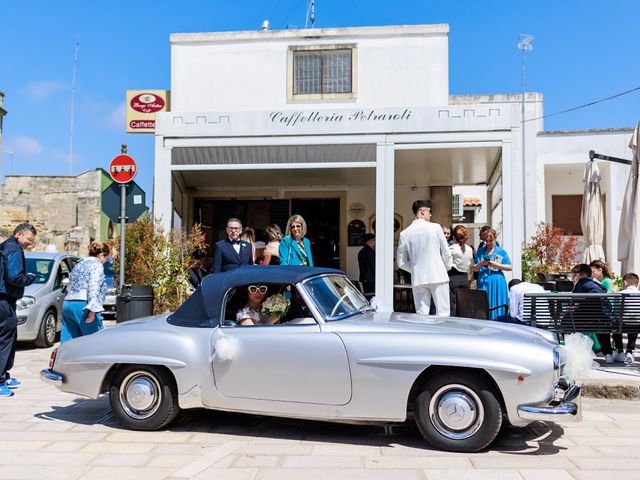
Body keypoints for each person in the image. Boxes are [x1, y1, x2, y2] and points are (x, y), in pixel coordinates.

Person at [396, 200, 452, 316]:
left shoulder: (405, 233)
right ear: (422, 212)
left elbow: (401, 262)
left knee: (422, 314)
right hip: (438, 276)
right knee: (443, 312)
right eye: (429, 211)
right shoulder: (436, 227)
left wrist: (416, 268)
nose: (430, 214)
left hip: (419, 278)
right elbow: (446, 253)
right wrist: (444, 268)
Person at [0, 223, 37, 396]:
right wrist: (29, 278)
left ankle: (5, 376)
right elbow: (14, 276)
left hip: (5, 300)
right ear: (18, 234)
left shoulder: (5, 247)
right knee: (5, 340)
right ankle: (0, 381)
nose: (30, 242)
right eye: (29, 239)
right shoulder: (13, 249)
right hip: (4, 300)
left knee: (9, 338)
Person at [61, 242, 111, 343]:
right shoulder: (97, 265)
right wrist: (92, 310)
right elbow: (94, 286)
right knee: (94, 342)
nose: (105, 261)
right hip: (83, 305)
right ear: (101, 255)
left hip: (68, 304)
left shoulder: (79, 264)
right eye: (106, 258)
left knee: (69, 343)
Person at [570, 264, 613, 362]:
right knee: (602, 330)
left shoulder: (583, 283)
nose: (572, 278)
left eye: (574, 276)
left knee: (565, 323)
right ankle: (608, 354)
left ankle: (577, 354)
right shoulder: (594, 283)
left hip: (587, 321)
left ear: (583, 275)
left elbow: (597, 293)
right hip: (601, 320)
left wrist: (578, 303)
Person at [473, 228, 512, 320]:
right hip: (484, 279)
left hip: (497, 280)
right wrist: (480, 264)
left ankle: (498, 321)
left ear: (495, 238)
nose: (489, 243)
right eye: (486, 241)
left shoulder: (500, 251)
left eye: (491, 240)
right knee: (484, 303)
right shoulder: (480, 251)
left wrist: (496, 264)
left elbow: (510, 267)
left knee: (498, 303)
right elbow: (474, 269)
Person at [612, 272, 639, 363]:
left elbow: (615, 312)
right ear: (637, 283)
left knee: (616, 323)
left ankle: (620, 351)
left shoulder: (619, 294)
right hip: (637, 326)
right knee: (635, 321)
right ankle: (629, 351)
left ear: (625, 283)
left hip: (622, 325)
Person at [448, 225, 473, 316]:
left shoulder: (452, 248)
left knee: (453, 305)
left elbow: (446, 263)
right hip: (465, 279)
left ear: (454, 236)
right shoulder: (469, 249)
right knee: (464, 305)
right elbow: (470, 264)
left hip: (454, 278)